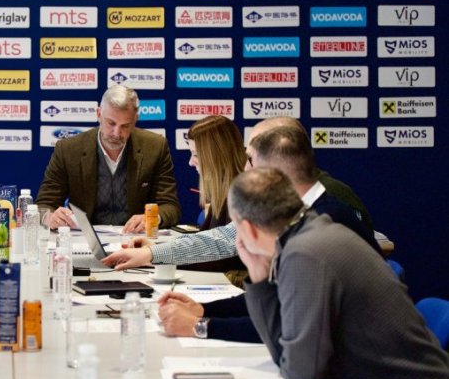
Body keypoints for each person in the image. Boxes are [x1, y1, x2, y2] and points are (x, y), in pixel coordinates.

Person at [230, 168, 449, 379]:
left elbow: (303, 374)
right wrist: (258, 275)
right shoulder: (310, 233)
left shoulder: (305, 253)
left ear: (248, 229)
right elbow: (287, 353)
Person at [121, 125, 380, 342]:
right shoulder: (305, 214)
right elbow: (277, 302)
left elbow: (290, 331)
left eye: (250, 160)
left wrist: (200, 326)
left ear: (274, 172)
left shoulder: (320, 226)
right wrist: (202, 310)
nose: (244, 169)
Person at [103, 116, 373, 271]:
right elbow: (224, 238)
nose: (245, 168)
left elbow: (299, 330)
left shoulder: (325, 212)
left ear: (277, 159)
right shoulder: (294, 205)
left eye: (251, 158)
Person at [35, 85, 180, 232]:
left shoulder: (155, 147)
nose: (116, 133)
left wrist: (152, 218)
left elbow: (170, 206)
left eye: (125, 126)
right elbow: (44, 204)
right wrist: (49, 217)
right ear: (99, 114)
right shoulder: (68, 150)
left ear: (135, 120)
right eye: (111, 123)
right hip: (85, 239)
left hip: (135, 238)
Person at [178, 115, 246, 275]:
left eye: (196, 155)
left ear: (216, 154)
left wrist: (155, 257)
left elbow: (221, 256)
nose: (190, 162)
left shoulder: (243, 195)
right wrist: (156, 250)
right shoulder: (224, 190)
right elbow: (205, 241)